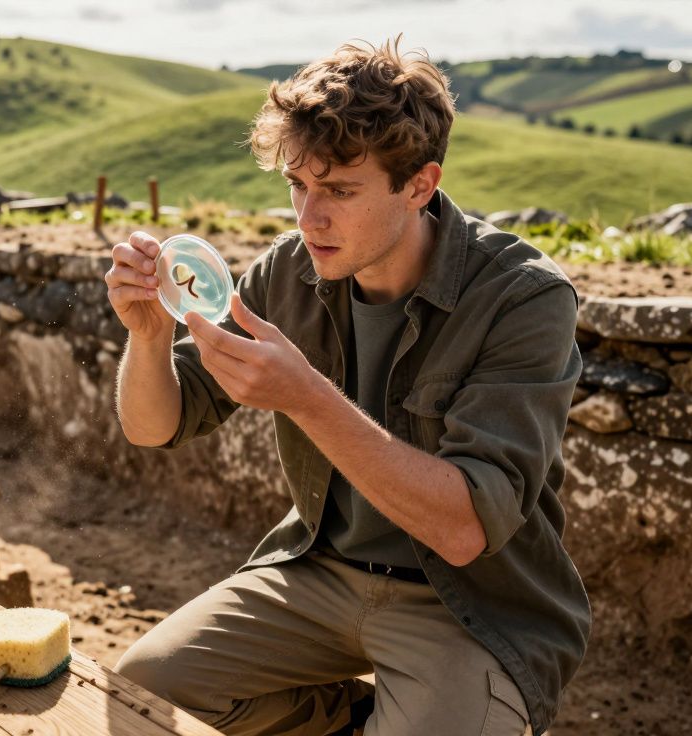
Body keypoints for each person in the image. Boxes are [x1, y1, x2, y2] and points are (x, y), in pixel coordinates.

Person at [104, 37, 590, 736]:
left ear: (420, 184)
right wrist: (148, 336)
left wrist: (306, 396)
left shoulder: (524, 299)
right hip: (319, 573)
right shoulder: (289, 271)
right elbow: (156, 425)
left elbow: (463, 529)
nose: (309, 219)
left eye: (338, 190)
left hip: (468, 608)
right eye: (298, 185)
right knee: (142, 691)